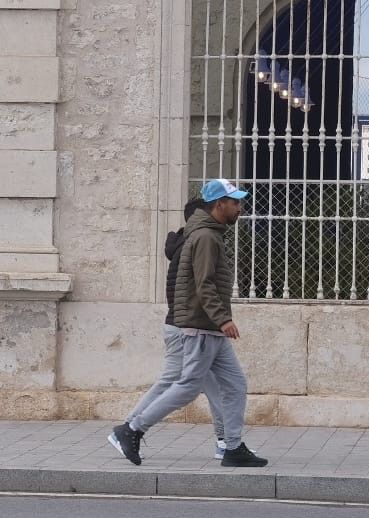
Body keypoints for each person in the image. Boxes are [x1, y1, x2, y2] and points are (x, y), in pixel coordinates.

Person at [110, 179, 267, 468]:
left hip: (208, 328)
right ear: (219, 204)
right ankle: (132, 429)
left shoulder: (209, 234)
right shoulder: (206, 237)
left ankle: (232, 447)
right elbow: (203, 284)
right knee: (187, 387)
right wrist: (224, 319)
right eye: (235, 202)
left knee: (235, 384)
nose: (239, 208)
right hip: (201, 326)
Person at [124, 196, 232, 458]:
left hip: (184, 327)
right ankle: (225, 442)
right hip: (190, 329)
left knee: (186, 383)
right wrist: (221, 320)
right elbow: (201, 288)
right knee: (193, 385)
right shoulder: (197, 244)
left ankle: (128, 428)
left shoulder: (186, 244)